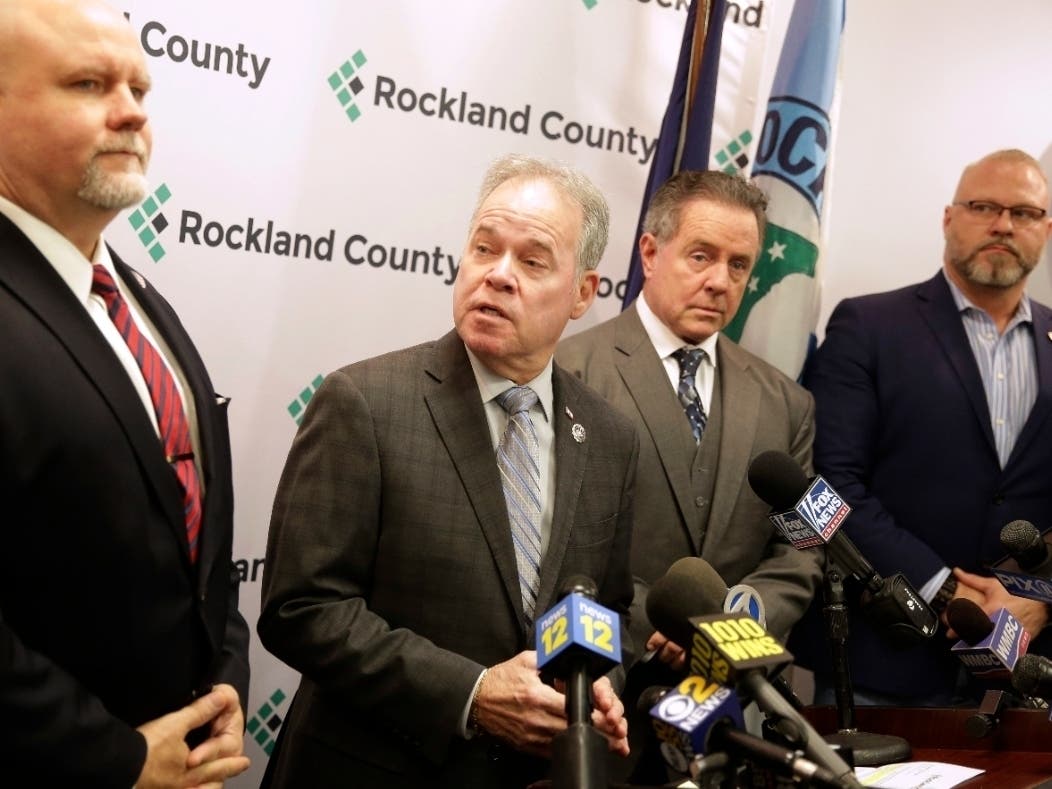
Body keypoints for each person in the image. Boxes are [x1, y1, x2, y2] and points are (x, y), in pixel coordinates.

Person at [257, 154, 637, 788]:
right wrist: (474, 692)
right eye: (484, 249)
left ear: (583, 293)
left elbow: (612, 605)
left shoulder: (609, 436)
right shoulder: (365, 403)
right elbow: (301, 608)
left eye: (533, 261)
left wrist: (592, 691)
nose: (498, 275)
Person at [0, 0, 250, 786]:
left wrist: (223, 690)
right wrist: (119, 759)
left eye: (141, 90)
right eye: (87, 83)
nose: (130, 112)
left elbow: (196, 553)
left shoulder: (138, 297)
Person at [556, 170, 821, 778]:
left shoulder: (787, 403)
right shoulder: (570, 370)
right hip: (604, 699)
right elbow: (551, 540)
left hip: (735, 722)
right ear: (650, 251)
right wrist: (670, 620)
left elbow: (802, 551)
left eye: (738, 264)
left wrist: (734, 615)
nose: (719, 281)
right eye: (701, 256)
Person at [793, 149, 1052, 706]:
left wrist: (1043, 599)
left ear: (1046, 229)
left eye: (1025, 213)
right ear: (948, 217)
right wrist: (947, 589)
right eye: (984, 206)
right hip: (887, 660)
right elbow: (832, 485)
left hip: (1030, 668)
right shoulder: (869, 325)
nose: (1003, 224)